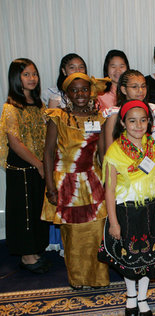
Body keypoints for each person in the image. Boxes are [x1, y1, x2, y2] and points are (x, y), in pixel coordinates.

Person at [98, 100, 155, 316]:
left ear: (149, 122)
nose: (138, 125)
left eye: (143, 120)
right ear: (123, 122)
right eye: (132, 121)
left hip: (151, 209)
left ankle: (143, 297)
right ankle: (131, 296)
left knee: (149, 257)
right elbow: (109, 189)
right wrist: (113, 221)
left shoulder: (154, 147)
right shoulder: (115, 151)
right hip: (126, 211)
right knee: (129, 257)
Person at [41, 73, 110, 289]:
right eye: (74, 90)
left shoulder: (99, 118)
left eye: (84, 89)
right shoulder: (57, 116)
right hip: (66, 183)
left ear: (90, 92)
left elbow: (102, 153)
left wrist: (109, 184)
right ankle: (78, 279)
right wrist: (50, 187)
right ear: (67, 93)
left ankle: (98, 278)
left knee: (97, 231)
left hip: (94, 179)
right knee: (72, 234)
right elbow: (48, 152)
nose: (80, 94)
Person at [0, 58, 49, 273]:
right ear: (16, 78)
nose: (32, 78)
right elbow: (15, 142)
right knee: (24, 212)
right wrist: (38, 164)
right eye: (26, 74)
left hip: (38, 166)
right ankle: (26, 256)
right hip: (21, 168)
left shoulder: (40, 105)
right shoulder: (11, 107)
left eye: (34, 74)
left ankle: (34, 250)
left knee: (38, 209)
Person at [103, 69, 155, 150]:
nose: (140, 91)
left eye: (143, 86)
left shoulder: (152, 109)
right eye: (134, 87)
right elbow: (109, 149)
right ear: (124, 90)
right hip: (122, 160)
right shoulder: (114, 114)